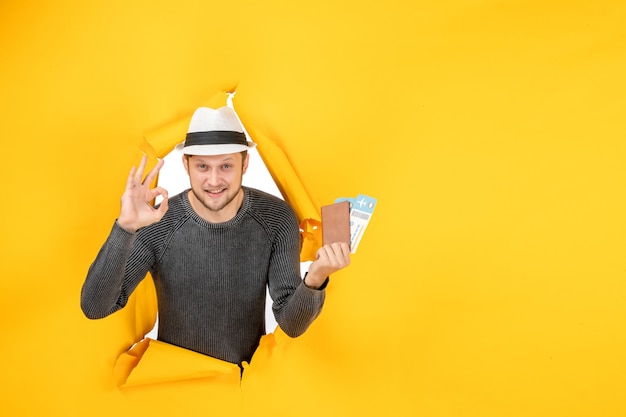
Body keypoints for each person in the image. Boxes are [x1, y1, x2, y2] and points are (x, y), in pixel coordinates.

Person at [80, 106, 351, 367]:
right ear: (186, 165)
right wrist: (125, 228)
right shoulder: (158, 222)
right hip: (177, 387)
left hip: (243, 389)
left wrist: (315, 279)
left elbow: (291, 325)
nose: (213, 181)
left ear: (245, 164)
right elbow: (95, 307)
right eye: (202, 167)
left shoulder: (277, 219)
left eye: (225, 166)